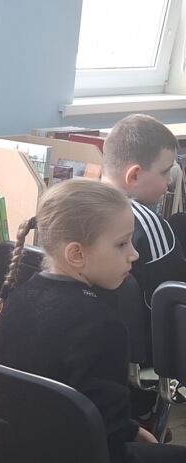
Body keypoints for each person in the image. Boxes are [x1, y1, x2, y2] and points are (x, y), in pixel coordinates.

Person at [0, 178, 186, 463]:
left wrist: (127, 428)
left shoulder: (21, 297)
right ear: (77, 254)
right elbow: (104, 449)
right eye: (122, 244)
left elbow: (70, 405)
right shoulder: (102, 325)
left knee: (136, 448)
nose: (134, 254)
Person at [102, 113, 181, 432]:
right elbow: (175, 302)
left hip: (98, 362)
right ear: (134, 175)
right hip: (142, 370)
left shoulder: (73, 208)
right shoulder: (148, 226)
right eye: (164, 172)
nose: (169, 182)